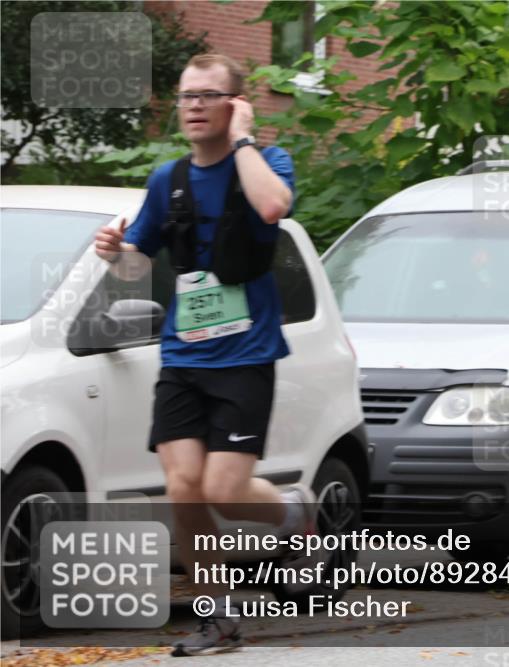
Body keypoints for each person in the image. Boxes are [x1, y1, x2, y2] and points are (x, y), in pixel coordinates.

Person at [93, 54, 312, 656]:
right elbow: (139, 264)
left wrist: (243, 140)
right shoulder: (169, 180)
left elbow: (272, 208)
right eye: (186, 96)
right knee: (183, 487)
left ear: (234, 104)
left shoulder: (266, 162)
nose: (192, 105)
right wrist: (115, 253)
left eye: (207, 95)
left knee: (223, 489)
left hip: (247, 357)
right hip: (184, 359)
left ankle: (293, 515)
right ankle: (217, 619)